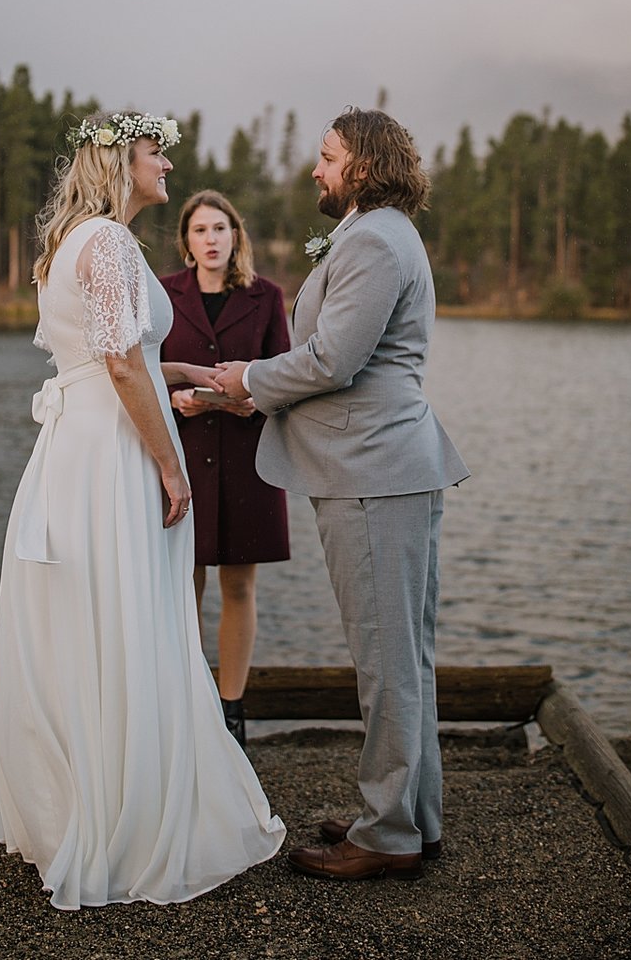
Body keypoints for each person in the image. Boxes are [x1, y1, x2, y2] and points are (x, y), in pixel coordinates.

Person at [0, 113, 284, 909]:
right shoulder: (111, 243)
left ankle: (80, 799)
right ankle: (128, 815)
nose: (170, 163)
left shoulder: (70, 243)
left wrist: (189, 367)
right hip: (115, 453)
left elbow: (120, 354)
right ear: (123, 159)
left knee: (89, 620)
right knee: (130, 614)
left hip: (72, 450)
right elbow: (119, 365)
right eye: (158, 151)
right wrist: (166, 463)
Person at [218, 106, 469, 883]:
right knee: (405, 656)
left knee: (386, 659)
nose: (316, 171)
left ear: (362, 164)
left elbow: (332, 361)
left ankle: (388, 834)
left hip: (372, 472)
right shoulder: (378, 235)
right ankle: (409, 817)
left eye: (327, 158)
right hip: (386, 470)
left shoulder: (374, 239)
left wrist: (247, 381)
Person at [160, 191, 291, 748]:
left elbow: (285, 379)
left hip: (248, 461)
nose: (211, 239)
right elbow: (144, 377)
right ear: (186, 241)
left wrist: (253, 399)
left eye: (220, 228)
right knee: (181, 584)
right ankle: (186, 703)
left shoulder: (267, 298)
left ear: (236, 235)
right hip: (181, 457)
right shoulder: (163, 296)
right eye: (200, 230)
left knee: (239, 587)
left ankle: (232, 710)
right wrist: (176, 402)